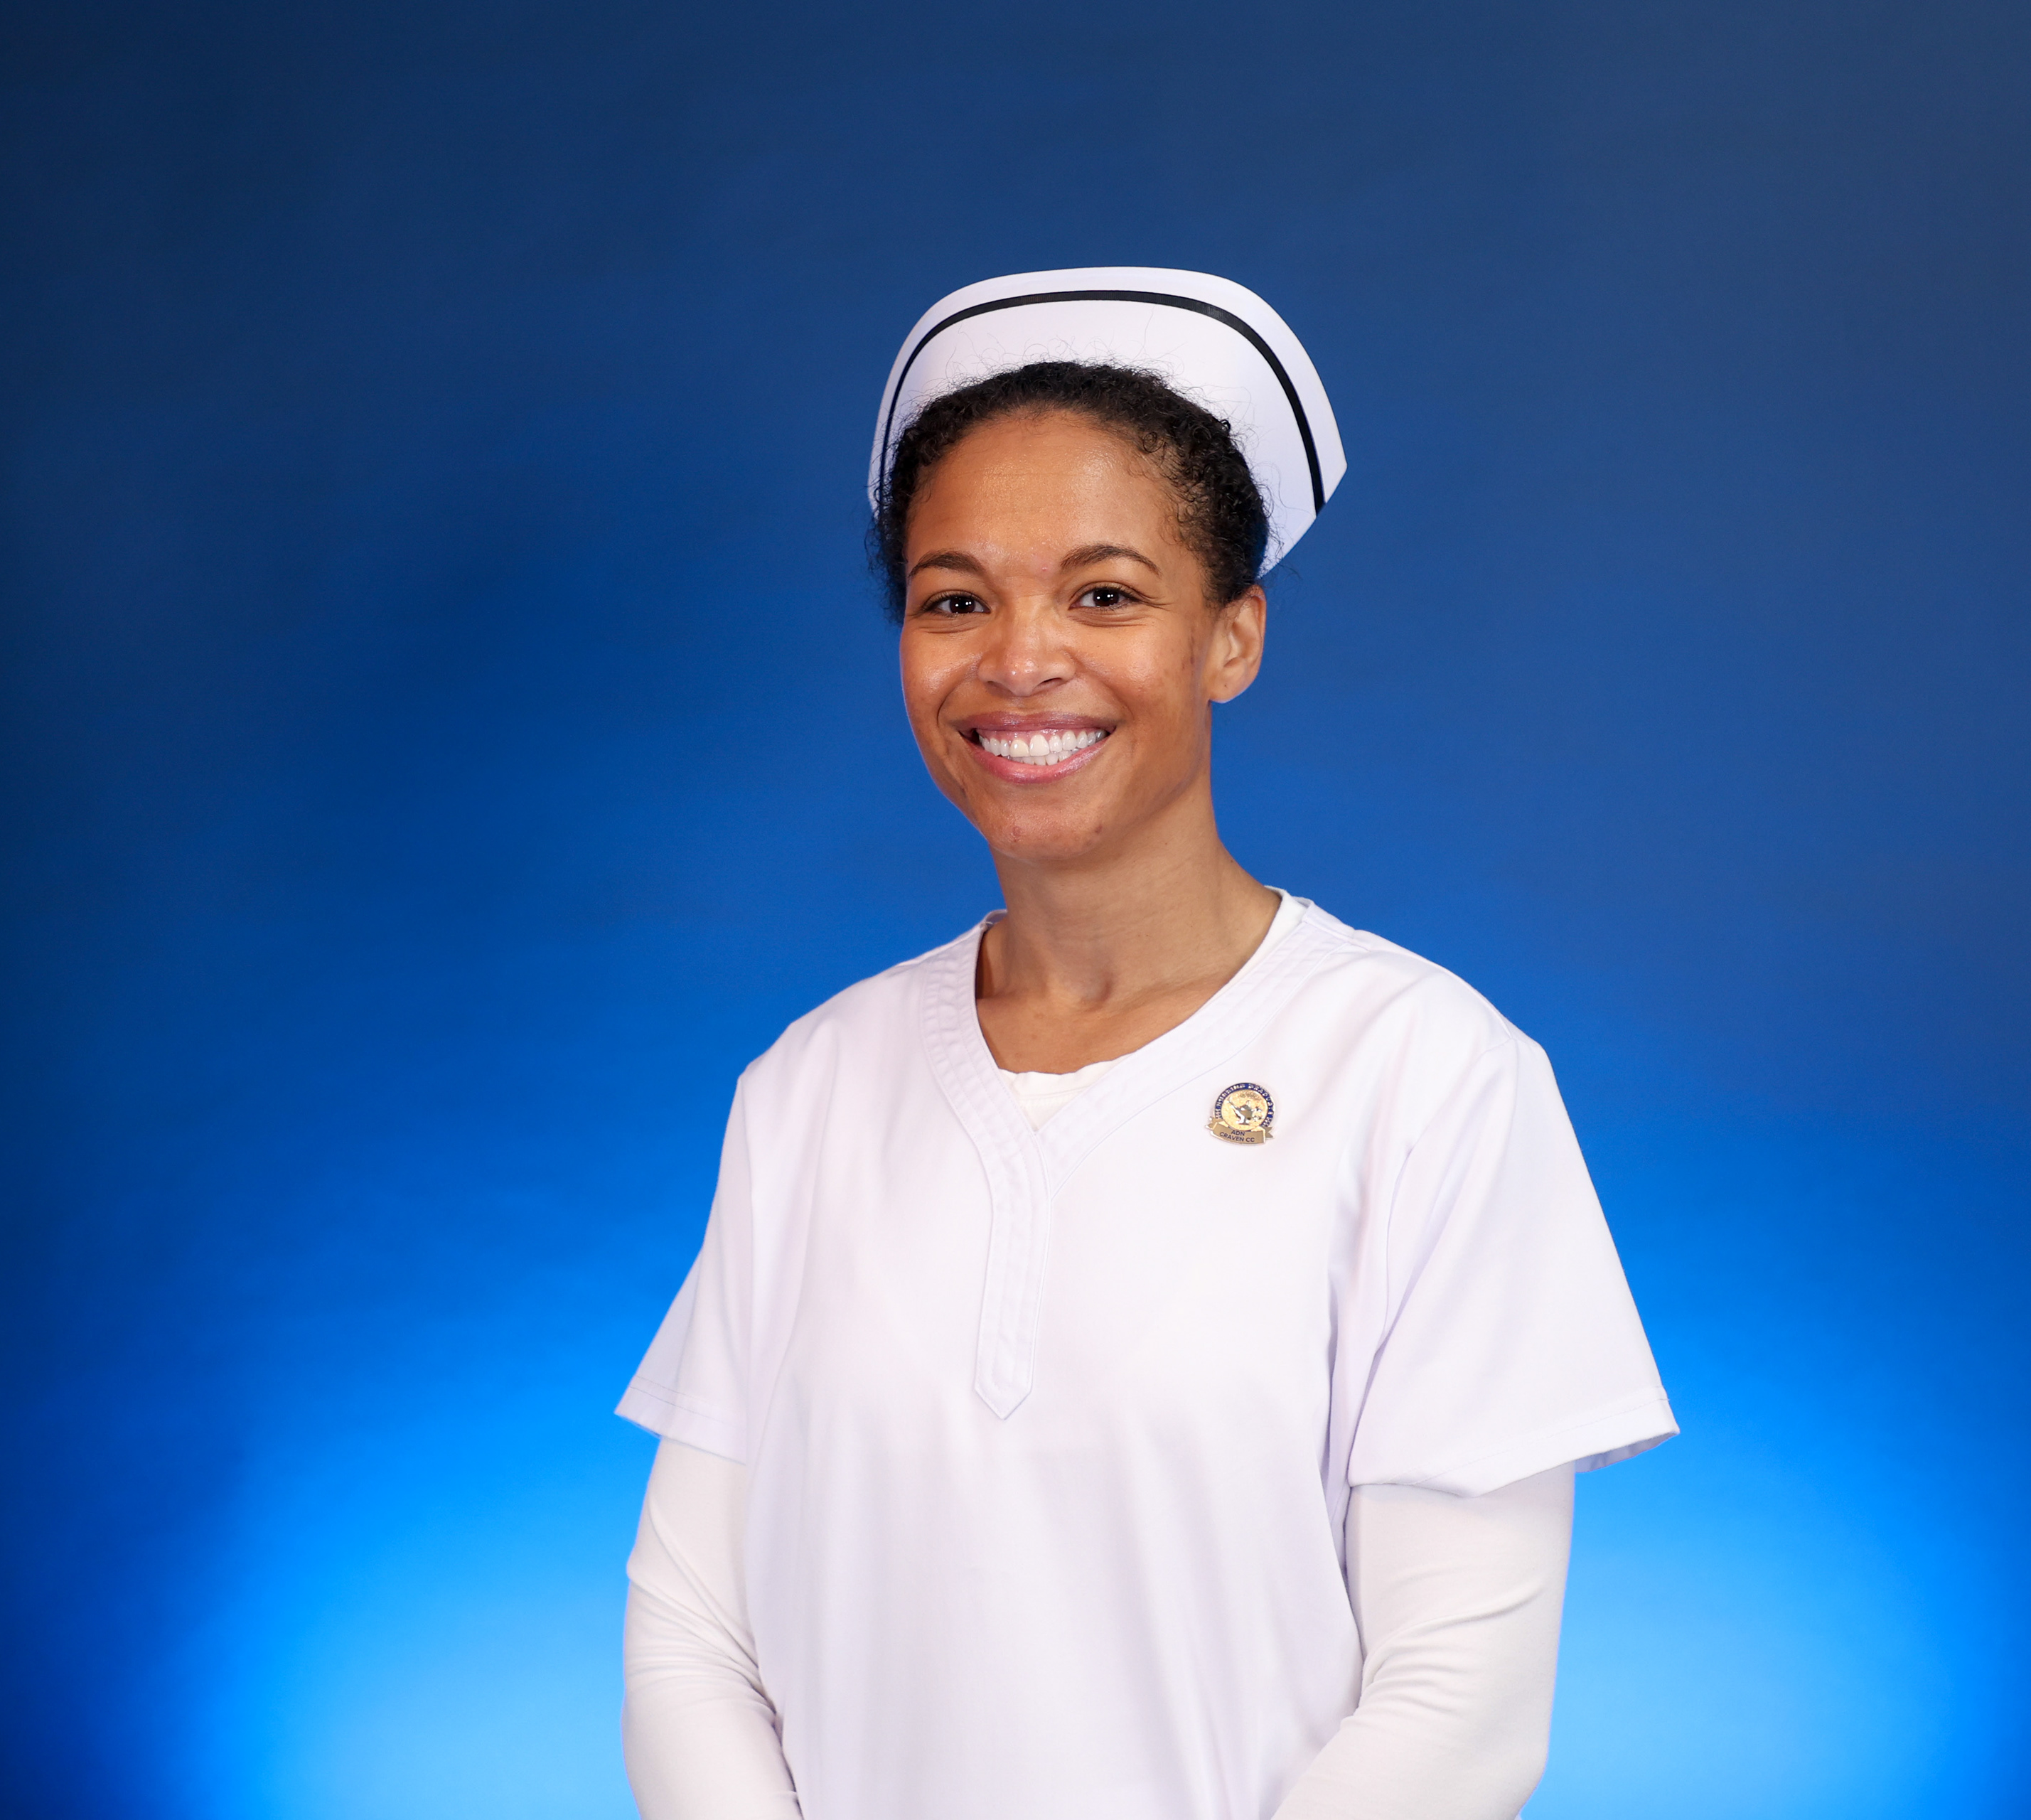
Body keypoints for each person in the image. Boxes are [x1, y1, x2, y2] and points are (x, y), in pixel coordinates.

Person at [614, 269, 1675, 1820]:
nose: (1019, 659)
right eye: (954, 598)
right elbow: (692, 1639)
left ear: (1232, 635)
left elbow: (1460, 1711)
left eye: (1104, 594)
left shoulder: (1422, 1076)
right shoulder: (814, 1088)